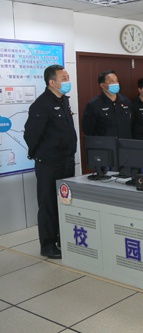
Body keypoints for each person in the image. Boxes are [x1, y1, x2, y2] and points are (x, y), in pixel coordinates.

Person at [24, 65, 77, 259]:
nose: (67, 81)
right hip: (49, 162)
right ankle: (47, 246)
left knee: (65, 201)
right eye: (64, 78)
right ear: (52, 82)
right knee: (48, 204)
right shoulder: (41, 104)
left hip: (67, 160)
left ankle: (63, 239)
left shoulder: (64, 100)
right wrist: (39, 153)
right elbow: (31, 135)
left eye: (68, 77)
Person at [81, 70, 132, 138]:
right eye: (112, 81)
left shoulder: (125, 101)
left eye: (116, 80)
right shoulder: (93, 104)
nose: (116, 83)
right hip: (105, 143)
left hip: (125, 142)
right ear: (102, 85)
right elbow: (87, 129)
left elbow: (132, 123)